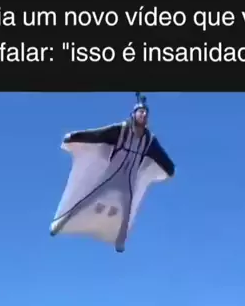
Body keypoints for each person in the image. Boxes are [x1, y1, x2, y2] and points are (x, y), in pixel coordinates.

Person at [50, 93, 175, 253]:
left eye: (146, 113)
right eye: (141, 112)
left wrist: (170, 169)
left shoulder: (149, 141)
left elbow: (162, 157)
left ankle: (120, 241)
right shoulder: (121, 130)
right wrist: (74, 136)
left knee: (127, 211)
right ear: (134, 114)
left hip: (127, 183)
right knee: (88, 199)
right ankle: (61, 223)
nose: (143, 115)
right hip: (109, 177)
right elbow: (97, 135)